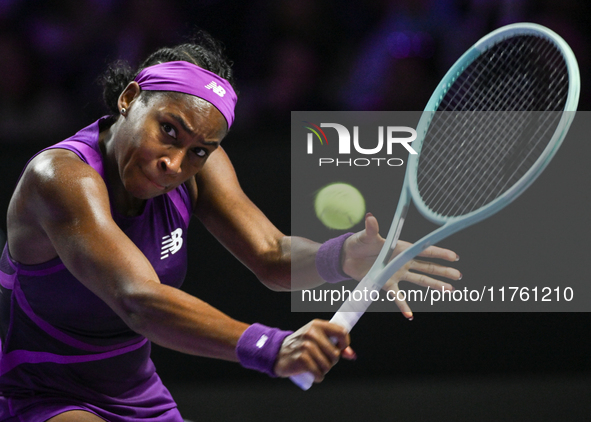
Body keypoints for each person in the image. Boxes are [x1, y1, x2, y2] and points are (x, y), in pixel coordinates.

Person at [0, 31, 460, 421]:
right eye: (169, 131)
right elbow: (137, 300)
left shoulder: (200, 166)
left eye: (199, 150)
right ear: (130, 98)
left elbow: (272, 256)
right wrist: (272, 347)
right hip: (35, 389)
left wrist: (339, 255)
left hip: (134, 389)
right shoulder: (60, 178)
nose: (174, 163)